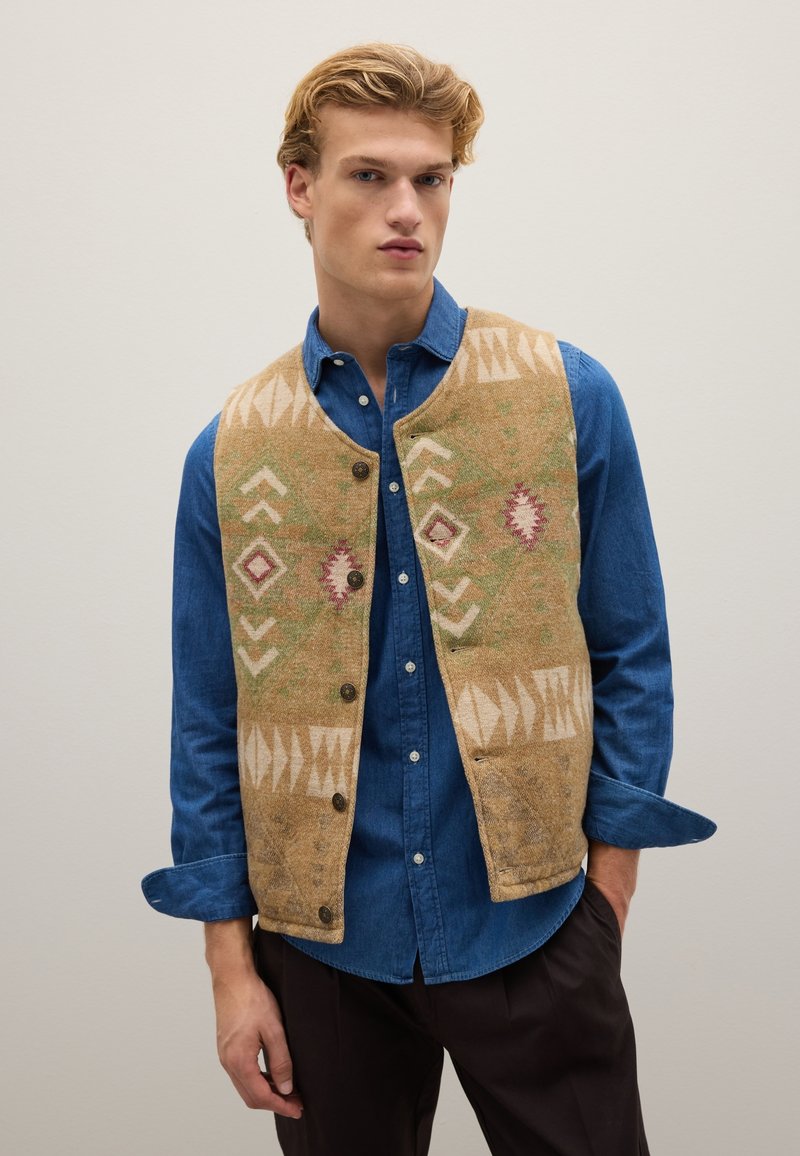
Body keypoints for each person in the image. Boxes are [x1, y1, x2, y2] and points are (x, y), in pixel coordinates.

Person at [142, 42, 716, 1156]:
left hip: (534, 923)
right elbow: (209, 718)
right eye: (369, 175)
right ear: (299, 187)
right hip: (320, 950)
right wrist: (230, 968)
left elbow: (630, 649)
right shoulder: (232, 449)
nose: (406, 208)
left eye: (431, 178)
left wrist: (604, 903)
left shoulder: (564, 394)